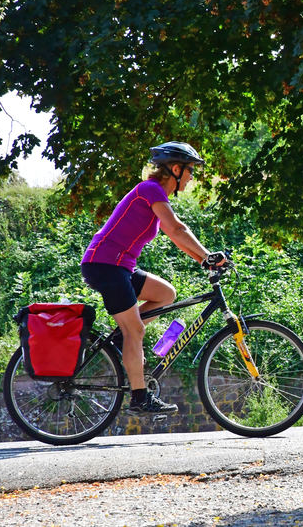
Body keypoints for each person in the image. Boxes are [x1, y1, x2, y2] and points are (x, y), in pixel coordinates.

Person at [81, 142, 225, 415]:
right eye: (190, 171)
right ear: (175, 169)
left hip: (119, 265)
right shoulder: (151, 190)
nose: (192, 177)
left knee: (165, 294)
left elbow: (176, 237)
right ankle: (139, 397)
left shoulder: (157, 195)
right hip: (105, 265)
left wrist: (204, 261)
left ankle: (123, 341)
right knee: (135, 330)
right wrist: (208, 255)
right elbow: (177, 228)